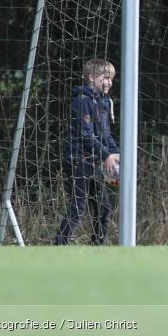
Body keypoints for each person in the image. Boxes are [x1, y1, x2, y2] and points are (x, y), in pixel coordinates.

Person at [54, 58, 121, 245]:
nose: (109, 82)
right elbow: (86, 135)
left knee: (103, 207)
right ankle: (59, 245)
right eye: (106, 78)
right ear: (91, 77)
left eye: (112, 79)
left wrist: (116, 155)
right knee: (78, 207)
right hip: (78, 161)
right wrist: (106, 155)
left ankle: (98, 246)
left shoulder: (104, 102)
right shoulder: (81, 101)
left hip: (94, 162)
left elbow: (106, 135)